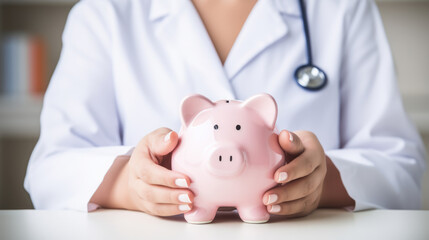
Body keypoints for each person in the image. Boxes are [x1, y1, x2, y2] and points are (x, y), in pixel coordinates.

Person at [24, 0, 426, 218]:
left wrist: (321, 183)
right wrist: (129, 184)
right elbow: (49, 170)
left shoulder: (342, 9)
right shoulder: (104, 13)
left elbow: (400, 167)